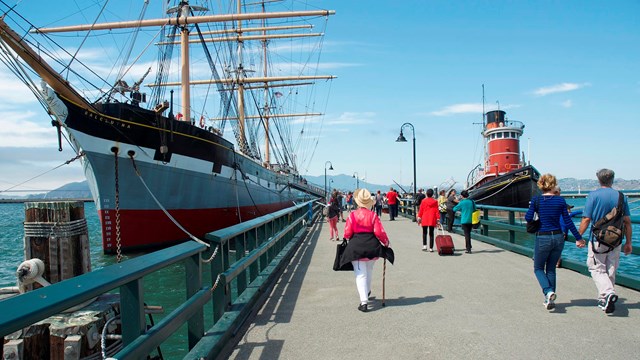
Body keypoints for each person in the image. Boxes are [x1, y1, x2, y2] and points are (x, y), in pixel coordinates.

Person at [577, 169, 633, 314]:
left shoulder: (593, 195)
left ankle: (608, 293)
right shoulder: (622, 196)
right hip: (616, 239)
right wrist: (629, 242)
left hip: (598, 239)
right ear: (612, 179)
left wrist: (579, 236)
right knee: (611, 268)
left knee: (596, 268)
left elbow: (586, 219)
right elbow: (627, 221)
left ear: (599, 179)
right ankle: (605, 300)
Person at [526, 174, 583, 310]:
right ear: (553, 184)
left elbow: (529, 218)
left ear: (540, 185)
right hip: (558, 237)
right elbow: (568, 221)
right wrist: (578, 237)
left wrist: (536, 212)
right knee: (551, 268)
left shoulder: (536, 200)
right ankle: (550, 300)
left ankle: (548, 291)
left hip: (543, 237)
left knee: (538, 268)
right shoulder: (560, 201)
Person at [341, 188, 391, 312]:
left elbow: (347, 233)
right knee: (369, 271)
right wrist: (386, 242)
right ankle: (367, 291)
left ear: (358, 202)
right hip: (372, 247)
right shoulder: (373, 215)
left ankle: (364, 302)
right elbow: (379, 232)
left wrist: (346, 238)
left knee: (360, 274)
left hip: (357, 247)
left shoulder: (352, 215)